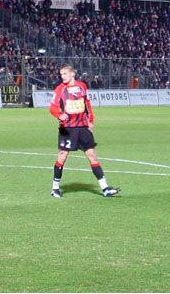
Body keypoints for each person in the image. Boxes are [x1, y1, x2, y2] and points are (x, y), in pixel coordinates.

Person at [49, 65, 121, 198]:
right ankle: (55, 188)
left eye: (65, 74)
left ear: (72, 74)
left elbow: (87, 104)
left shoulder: (82, 86)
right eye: (61, 74)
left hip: (82, 127)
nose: (62, 77)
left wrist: (91, 120)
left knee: (92, 155)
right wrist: (59, 115)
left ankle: (105, 188)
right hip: (67, 128)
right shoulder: (60, 89)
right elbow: (52, 107)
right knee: (63, 156)